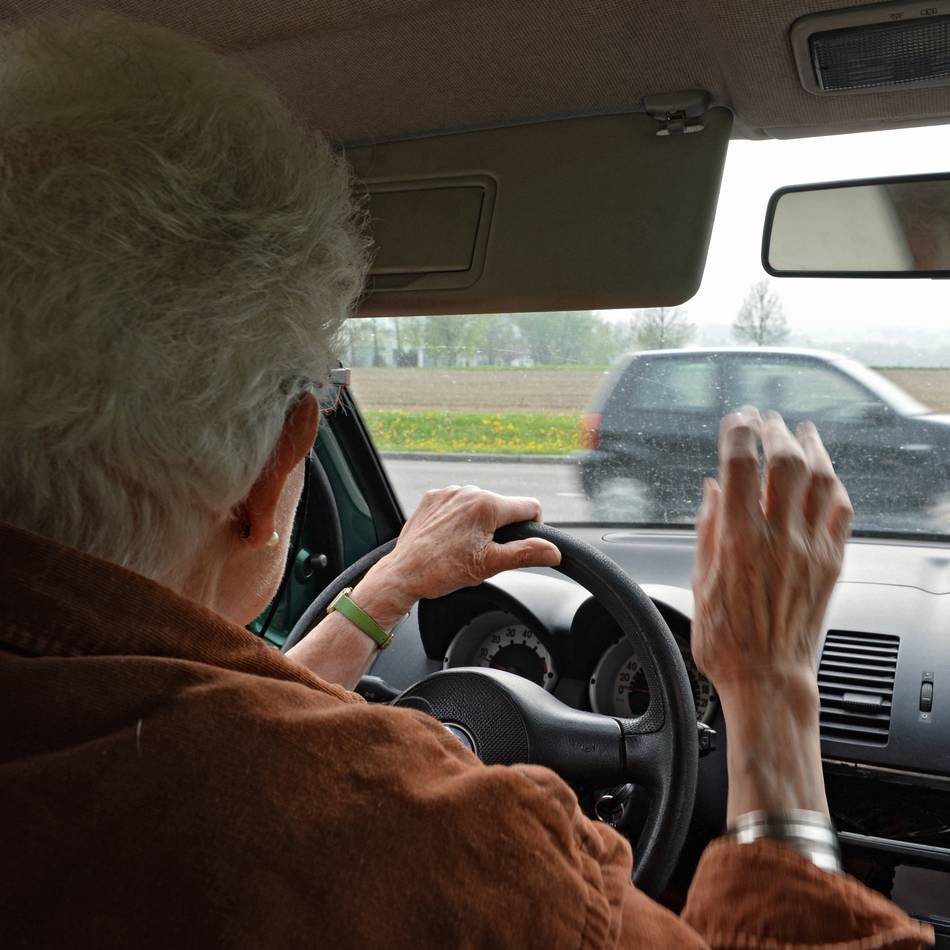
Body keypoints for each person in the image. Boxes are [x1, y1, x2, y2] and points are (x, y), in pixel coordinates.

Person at [0, 13, 933, 950]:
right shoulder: (428, 845)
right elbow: (224, 756)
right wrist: (771, 695)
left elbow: (169, 722)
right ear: (273, 468)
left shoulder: (116, 757)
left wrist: (385, 591)